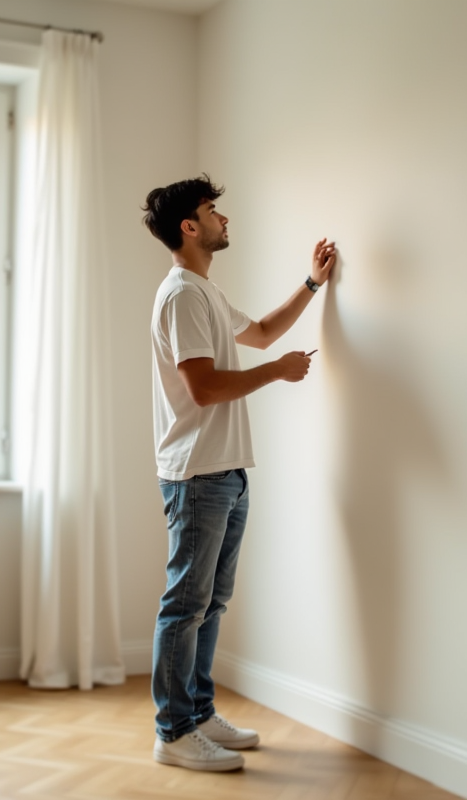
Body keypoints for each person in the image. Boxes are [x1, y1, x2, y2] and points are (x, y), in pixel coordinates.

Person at [142, 175, 336, 772]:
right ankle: (174, 732)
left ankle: (197, 715)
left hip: (225, 472)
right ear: (189, 227)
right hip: (198, 473)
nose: (224, 219)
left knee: (211, 602)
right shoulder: (180, 296)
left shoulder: (205, 292)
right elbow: (203, 388)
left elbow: (264, 333)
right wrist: (276, 373)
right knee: (186, 604)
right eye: (212, 210)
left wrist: (312, 284)